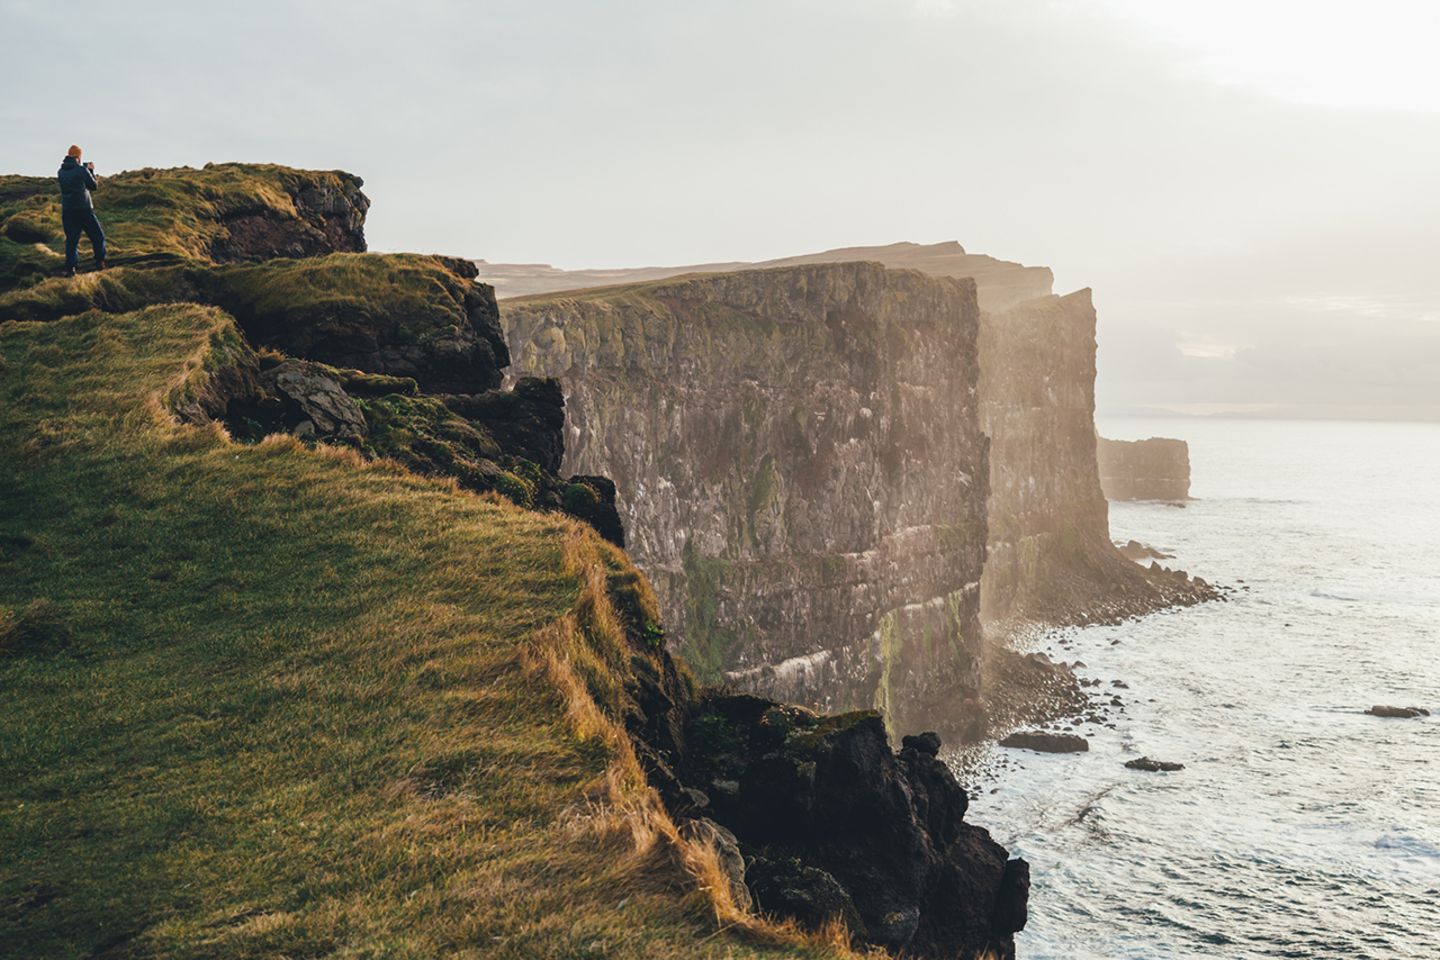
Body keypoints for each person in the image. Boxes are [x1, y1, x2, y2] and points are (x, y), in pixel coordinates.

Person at [57, 145, 106, 276]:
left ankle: (71, 268)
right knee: (97, 236)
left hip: (68, 209)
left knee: (72, 240)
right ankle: (100, 262)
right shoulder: (81, 170)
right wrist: (90, 171)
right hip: (83, 208)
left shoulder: (60, 172)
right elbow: (93, 186)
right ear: (78, 157)